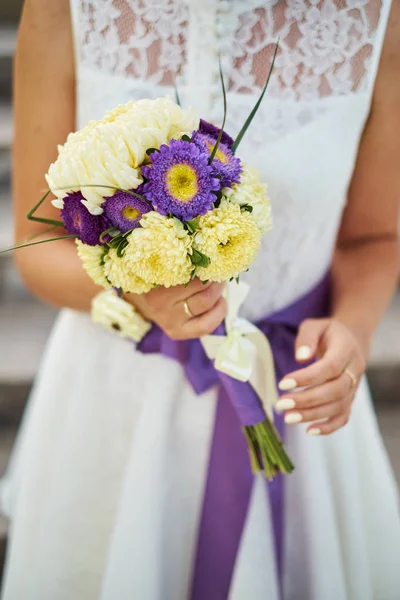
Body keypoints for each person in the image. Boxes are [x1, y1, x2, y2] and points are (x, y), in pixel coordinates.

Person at [1, 0, 400, 598]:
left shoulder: (379, 17)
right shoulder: (64, 8)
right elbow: (36, 240)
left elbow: (374, 235)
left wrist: (354, 332)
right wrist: (136, 294)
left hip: (295, 394)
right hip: (117, 400)